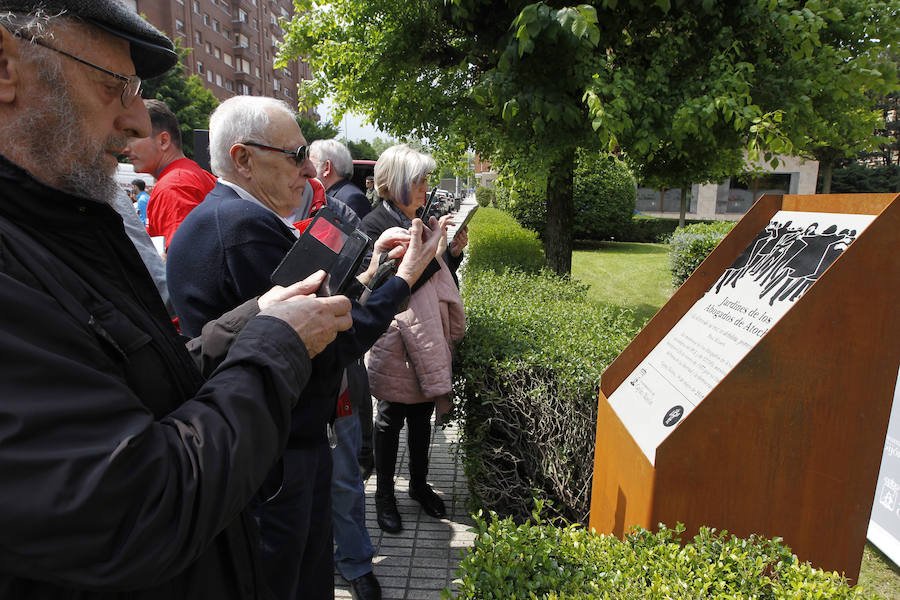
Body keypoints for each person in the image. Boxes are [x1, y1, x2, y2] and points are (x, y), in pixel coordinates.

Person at [0, 2, 355, 598]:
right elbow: (136, 508)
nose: (138, 121)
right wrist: (276, 342)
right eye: (114, 86)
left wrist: (254, 320)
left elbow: (151, 387)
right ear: (5, 68)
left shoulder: (70, 224)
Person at [166, 96, 446, 600]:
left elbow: (319, 301)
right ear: (244, 158)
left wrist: (369, 264)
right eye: (296, 155)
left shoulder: (229, 217)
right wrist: (404, 276)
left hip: (276, 442)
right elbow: (328, 339)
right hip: (277, 452)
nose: (309, 169)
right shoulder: (241, 228)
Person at [361, 144, 467, 534]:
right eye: (418, 180)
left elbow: (437, 280)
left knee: (422, 416)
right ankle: (384, 496)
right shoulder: (374, 225)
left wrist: (450, 253)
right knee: (389, 421)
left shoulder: (421, 219)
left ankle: (419, 486)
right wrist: (430, 251)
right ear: (397, 183)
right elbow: (386, 288)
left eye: (426, 180)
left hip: (425, 338)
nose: (426, 188)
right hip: (394, 341)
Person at [123, 98, 216, 249]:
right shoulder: (193, 175)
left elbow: (185, 262)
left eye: (132, 138)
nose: (124, 149)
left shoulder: (173, 187)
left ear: (164, 141)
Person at [309, 138, 371, 219]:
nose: (307, 170)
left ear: (327, 168)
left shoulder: (352, 199)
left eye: (311, 164)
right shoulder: (333, 195)